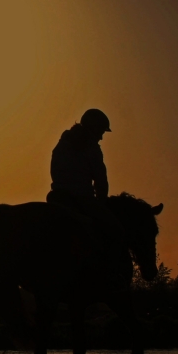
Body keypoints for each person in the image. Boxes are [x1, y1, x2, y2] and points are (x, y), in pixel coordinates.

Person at [47, 108, 122, 277]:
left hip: (57, 197)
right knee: (115, 229)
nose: (101, 137)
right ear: (94, 128)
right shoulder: (92, 148)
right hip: (82, 200)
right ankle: (113, 277)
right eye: (101, 132)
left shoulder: (63, 141)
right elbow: (101, 181)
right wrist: (102, 202)